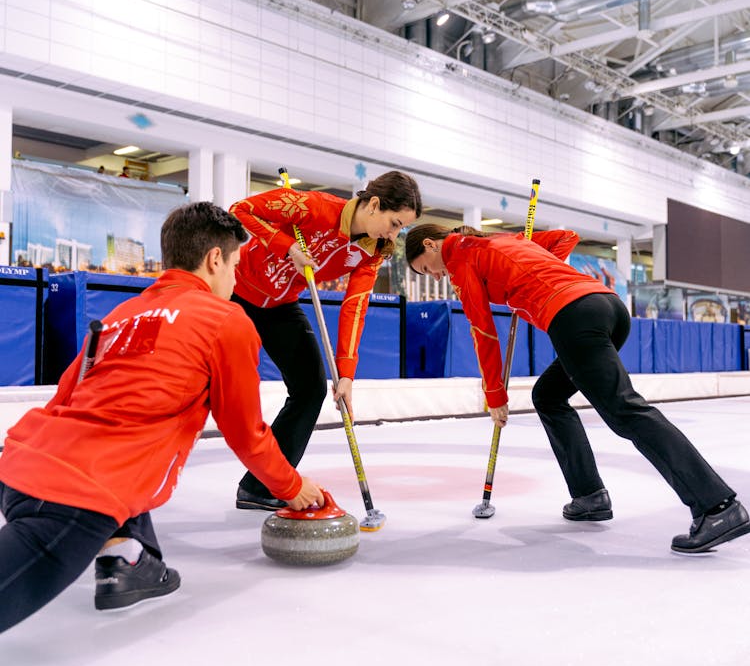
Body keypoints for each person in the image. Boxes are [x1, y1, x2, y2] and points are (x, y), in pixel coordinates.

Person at [0, 202, 324, 633]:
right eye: (234, 266)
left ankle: (131, 555)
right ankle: (123, 548)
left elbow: (68, 394)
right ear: (214, 259)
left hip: (19, 467)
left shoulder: (121, 315)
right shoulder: (226, 320)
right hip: (78, 497)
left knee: (137, 426)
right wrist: (292, 485)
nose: (235, 278)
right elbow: (246, 433)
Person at [405, 222, 749, 555]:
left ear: (431, 245)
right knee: (548, 396)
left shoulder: (459, 259)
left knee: (625, 411)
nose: (436, 276)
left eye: (427, 268)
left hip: (572, 315)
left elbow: (482, 332)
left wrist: (495, 395)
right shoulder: (498, 241)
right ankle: (589, 496)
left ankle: (717, 505)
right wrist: (524, 262)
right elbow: (565, 238)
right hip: (608, 307)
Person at [227, 171, 422, 510]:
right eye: (394, 223)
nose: (394, 234)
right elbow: (240, 210)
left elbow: (355, 307)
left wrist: (346, 374)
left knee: (311, 389)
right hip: (234, 294)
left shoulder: (371, 250)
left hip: (281, 306)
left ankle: (261, 485)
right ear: (374, 204)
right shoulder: (312, 206)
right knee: (205, 384)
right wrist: (286, 246)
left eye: (401, 228)